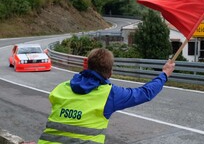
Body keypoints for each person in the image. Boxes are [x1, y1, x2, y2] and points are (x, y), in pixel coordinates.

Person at [38, 48, 175, 144]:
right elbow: (145, 93)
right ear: (110, 73)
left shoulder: (61, 88)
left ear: (87, 66)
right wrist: (164, 74)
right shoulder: (109, 94)